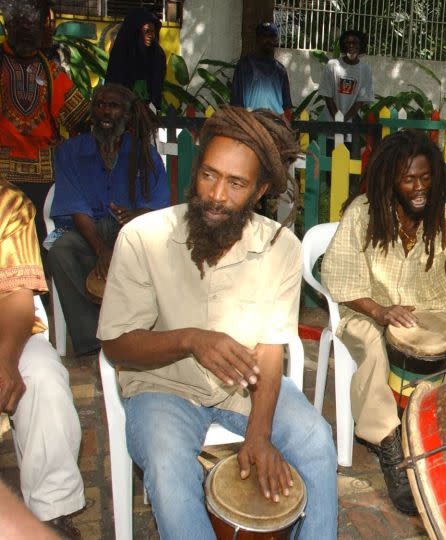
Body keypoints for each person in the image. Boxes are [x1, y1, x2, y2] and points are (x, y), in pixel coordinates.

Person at [97, 107, 337, 539]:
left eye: (236, 183)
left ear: (260, 189)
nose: (217, 195)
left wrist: (259, 434)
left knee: (317, 441)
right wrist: (191, 340)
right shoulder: (142, 238)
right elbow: (116, 345)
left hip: (244, 387)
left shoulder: (281, 248)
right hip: (162, 387)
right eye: (208, 175)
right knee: (170, 468)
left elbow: (269, 349)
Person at [321, 129, 446, 515]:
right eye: (409, 179)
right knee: (374, 349)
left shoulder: (440, 212)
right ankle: (389, 444)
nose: (419, 186)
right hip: (367, 309)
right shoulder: (363, 212)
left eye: (425, 177)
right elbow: (338, 277)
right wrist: (380, 311)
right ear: (390, 178)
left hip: (429, 306)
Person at [47, 83, 169, 356]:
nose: (105, 111)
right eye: (100, 104)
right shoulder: (70, 151)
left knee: (158, 248)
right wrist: (101, 250)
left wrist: (138, 215)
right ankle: (92, 343)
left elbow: (158, 207)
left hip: (130, 233)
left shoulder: (144, 154)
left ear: (126, 115)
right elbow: (75, 206)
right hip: (84, 231)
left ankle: (137, 335)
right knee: (57, 248)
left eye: (113, 106)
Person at [0, 180, 84, 538]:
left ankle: (51, 512)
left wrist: (6, 362)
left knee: (44, 378)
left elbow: (18, 300)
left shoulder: (7, 203)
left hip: (6, 330)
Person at [1, 0, 89, 243]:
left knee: (42, 241)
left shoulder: (51, 70)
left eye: (33, 22)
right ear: (8, 24)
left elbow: (80, 116)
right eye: (21, 22)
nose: (28, 28)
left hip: (45, 175)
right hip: (2, 173)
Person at [105, 8, 167, 111]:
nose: (151, 35)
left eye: (153, 31)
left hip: (147, 112)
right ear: (136, 33)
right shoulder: (122, 54)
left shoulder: (157, 55)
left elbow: (156, 87)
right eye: (147, 31)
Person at [230, 22, 293, 122]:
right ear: (257, 39)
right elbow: (236, 104)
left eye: (272, 36)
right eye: (264, 36)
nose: (268, 40)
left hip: (276, 127)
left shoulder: (281, 71)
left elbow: (287, 108)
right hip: (252, 126)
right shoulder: (244, 66)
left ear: (276, 40)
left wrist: (286, 130)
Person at [318, 29, 374, 124]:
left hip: (352, 126)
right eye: (347, 43)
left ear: (361, 46)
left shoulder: (365, 70)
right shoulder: (332, 66)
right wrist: (338, 119)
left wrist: (344, 121)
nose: (351, 45)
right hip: (330, 123)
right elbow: (327, 96)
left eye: (355, 43)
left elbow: (361, 100)